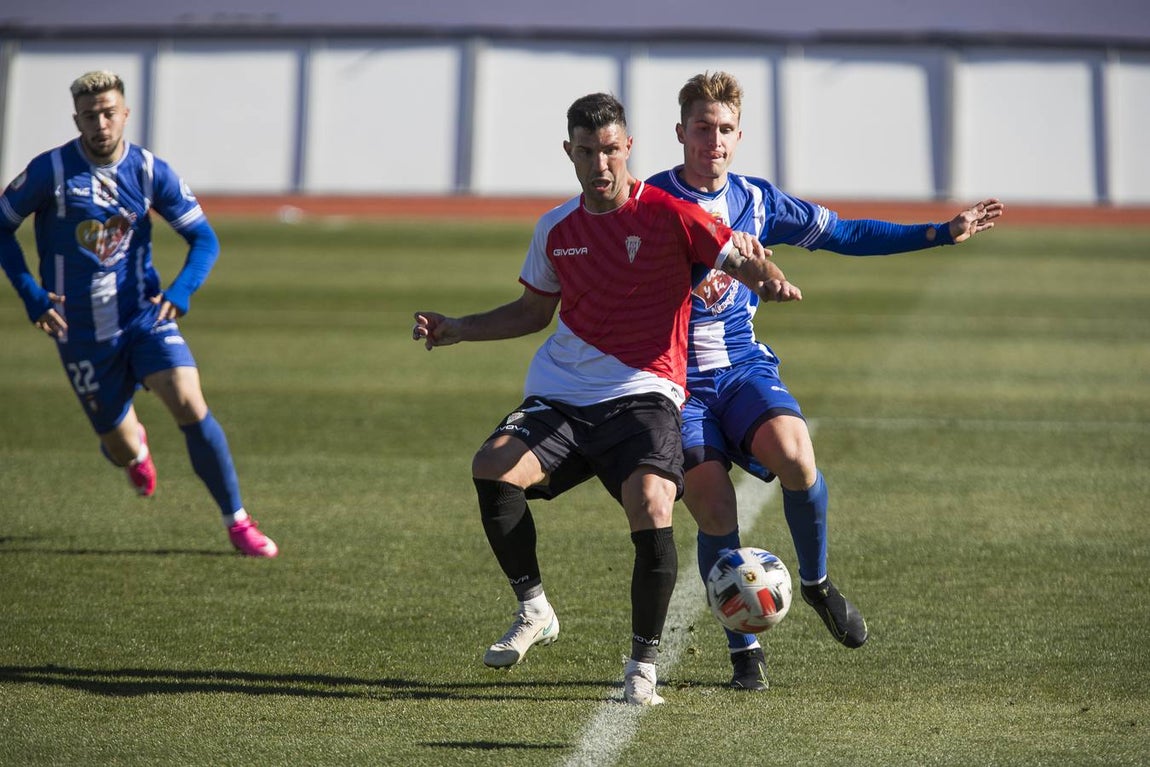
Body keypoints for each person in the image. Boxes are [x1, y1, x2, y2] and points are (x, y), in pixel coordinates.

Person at [412, 92, 800, 705]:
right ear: (570, 152)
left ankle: (641, 667)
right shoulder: (556, 228)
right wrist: (458, 327)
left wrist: (770, 279)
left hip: (645, 393)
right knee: (492, 467)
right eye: (588, 151)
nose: (601, 164)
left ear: (629, 148)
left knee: (652, 501)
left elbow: (737, 255)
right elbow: (533, 311)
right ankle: (534, 609)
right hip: (563, 395)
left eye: (611, 150)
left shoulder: (670, 214)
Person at [646, 71, 1004, 690]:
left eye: (725, 129)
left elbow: (845, 233)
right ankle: (744, 651)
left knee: (797, 455)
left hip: (741, 368)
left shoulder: (758, 201)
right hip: (678, 381)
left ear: (739, 135)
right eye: (702, 128)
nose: (714, 140)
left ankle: (814, 584)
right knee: (713, 504)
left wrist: (941, 233)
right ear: (680, 132)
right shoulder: (650, 202)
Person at [0, 70, 278, 558]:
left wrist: (182, 290)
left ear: (125, 114)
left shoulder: (150, 171)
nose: (100, 124)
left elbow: (203, 238)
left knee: (190, 402)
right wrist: (31, 293)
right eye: (90, 116)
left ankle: (238, 522)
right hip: (81, 331)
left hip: (143, 316)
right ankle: (135, 452)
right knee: (121, 446)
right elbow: (2, 227)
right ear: (77, 120)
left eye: (109, 113)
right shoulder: (51, 171)